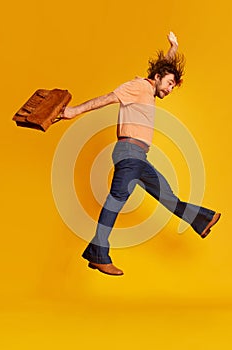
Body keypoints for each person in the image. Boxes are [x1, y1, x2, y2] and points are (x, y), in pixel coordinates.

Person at [61, 32, 221, 276]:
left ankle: (201, 220)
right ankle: (98, 253)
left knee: (167, 197)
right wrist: (73, 111)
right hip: (129, 154)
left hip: (139, 158)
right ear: (157, 78)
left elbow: (163, 68)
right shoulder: (137, 87)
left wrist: (173, 49)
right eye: (168, 84)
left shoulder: (148, 88)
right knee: (115, 201)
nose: (168, 90)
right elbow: (106, 99)